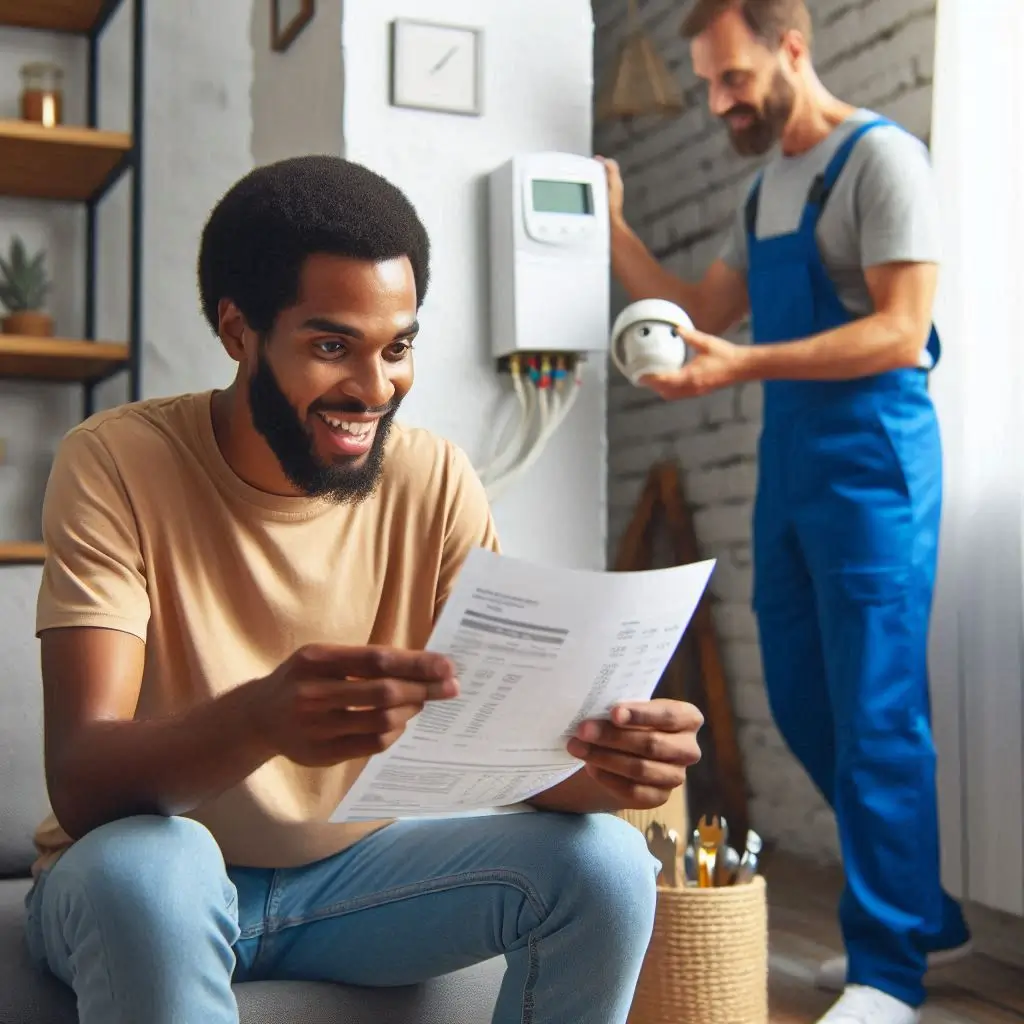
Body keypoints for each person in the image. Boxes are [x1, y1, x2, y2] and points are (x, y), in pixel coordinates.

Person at [23, 154, 704, 1024]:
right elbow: (82, 780)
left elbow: (510, 767)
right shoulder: (115, 461)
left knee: (605, 864)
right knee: (156, 873)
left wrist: (611, 768)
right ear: (238, 331)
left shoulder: (436, 480)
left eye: (399, 347)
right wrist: (260, 719)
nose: (375, 389)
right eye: (331, 345)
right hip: (149, 869)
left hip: (353, 884)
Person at [600, 2, 970, 1023]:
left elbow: (900, 332)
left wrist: (745, 366)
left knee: (877, 713)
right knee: (807, 702)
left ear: (791, 50)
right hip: (791, 464)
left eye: (729, 78)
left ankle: (887, 969)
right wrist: (615, 229)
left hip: (873, 462)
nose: (718, 101)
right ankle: (913, 916)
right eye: (708, 82)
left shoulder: (880, 163)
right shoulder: (765, 191)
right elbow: (699, 313)